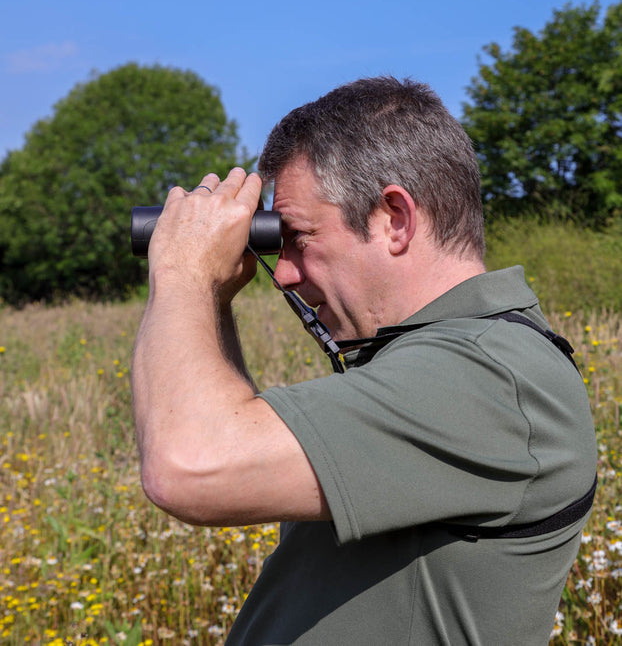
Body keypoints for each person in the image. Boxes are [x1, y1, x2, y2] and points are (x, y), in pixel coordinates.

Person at [131, 77, 597, 645]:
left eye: (298, 236)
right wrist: (213, 295)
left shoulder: (490, 376)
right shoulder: (450, 362)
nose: (283, 273)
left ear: (394, 218)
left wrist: (182, 270)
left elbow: (190, 465)